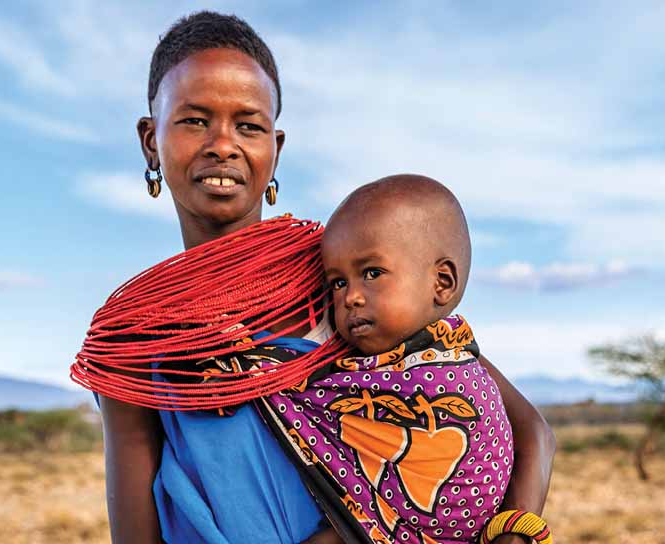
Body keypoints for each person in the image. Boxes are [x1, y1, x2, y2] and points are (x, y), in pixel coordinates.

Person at [98, 10, 555, 544]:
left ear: (276, 147)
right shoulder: (133, 334)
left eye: (248, 125)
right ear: (151, 141)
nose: (223, 144)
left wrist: (516, 534)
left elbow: (528, 429)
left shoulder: (343, 277)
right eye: (194, 120)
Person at [242, 173, 553, 543]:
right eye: (338, 282)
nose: (350, 297)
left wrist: (516, 533)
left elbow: (535, 433)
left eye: (372, 273)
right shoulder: (345, 356)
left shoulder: (454, 358)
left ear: (442, 283)